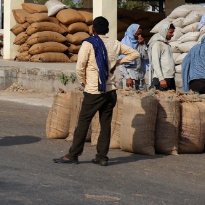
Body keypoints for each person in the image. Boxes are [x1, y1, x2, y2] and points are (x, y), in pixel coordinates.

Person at [54, 16, 139, 167]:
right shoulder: (115, 43)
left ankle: (73, 154)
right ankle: (102, 157)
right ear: (107, 29)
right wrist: (116, 63)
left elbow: (80, 67)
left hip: (94, 90)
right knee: (105, 124)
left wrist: (84, 83)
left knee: (83, 123)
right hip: (110, 90)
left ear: (93, 29)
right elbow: (135, 54)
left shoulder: (88, 44)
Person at [146, 20, 176, 91]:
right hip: (162, 79)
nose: (172, 34)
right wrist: (161, 79)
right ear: (164, 31)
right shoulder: (157, 44)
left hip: (169, 78)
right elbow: (155, 63)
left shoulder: (166, 44)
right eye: (171, 32)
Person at [119, 24, 148, 91]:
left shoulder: (140, 43)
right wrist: (127, 77)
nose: (139, 36)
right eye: (137, 34)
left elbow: (146, 57)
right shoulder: (124, 44)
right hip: (130, 76)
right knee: (130, 98)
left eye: (140, 34)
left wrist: (142, 45)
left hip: (140, 76)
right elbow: (121, 63)